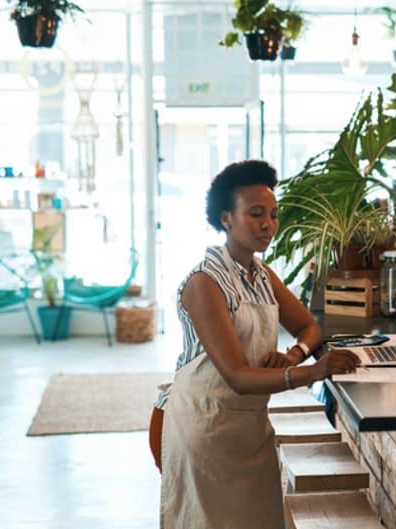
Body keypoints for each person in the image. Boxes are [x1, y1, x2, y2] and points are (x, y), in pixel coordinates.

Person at [152, 159, 359, 529]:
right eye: (256, 214)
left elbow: (310, 328)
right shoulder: (205, 283)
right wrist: (310, 371)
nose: (268, 225)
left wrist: (292, 354)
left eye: (274, 215)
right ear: (226, 217)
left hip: (250, 430)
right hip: (204, 428)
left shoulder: (262, 275)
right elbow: (237, 376)